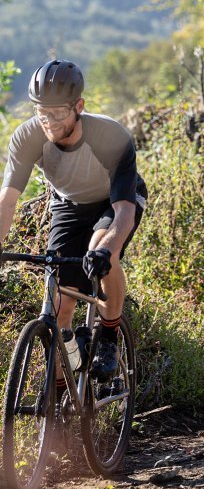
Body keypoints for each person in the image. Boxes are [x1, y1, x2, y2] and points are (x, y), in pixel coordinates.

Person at [0, 59, 147, 381]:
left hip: (116, 199)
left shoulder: (110, 136)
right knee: (60, 301)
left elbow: (123, 210)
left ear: (79, 106)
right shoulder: (27, 137)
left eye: (59, 113)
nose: (49, 122)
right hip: (69, 203)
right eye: (42, 113)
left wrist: (107, 250)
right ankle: (71, 363)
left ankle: (108, 337)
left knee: (102, 249)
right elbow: (7, 201)